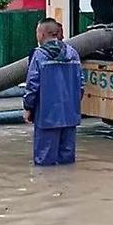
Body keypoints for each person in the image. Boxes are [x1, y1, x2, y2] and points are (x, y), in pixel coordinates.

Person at [23, 18, 84, 166]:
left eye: (37, 32)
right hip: (70, 116)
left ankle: (47, 188)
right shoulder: (73, 53)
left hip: (47, 117)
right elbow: (81, 84)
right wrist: (73, 107)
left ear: (42, 34)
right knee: (68, 162)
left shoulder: (39, 55)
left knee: (44, 162)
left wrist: (28, 108)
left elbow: (32, 85)